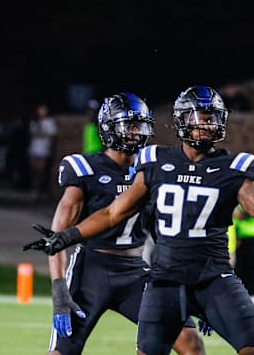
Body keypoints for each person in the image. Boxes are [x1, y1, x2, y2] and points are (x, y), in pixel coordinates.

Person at [26, 85, 254, 355]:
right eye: (200, 118)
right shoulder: (134, 164)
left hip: (172, 272)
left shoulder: (216, 165)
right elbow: (113, 213)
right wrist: (64, 245)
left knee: (216, 347)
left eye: (213, 118)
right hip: (120, 273)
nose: (207, 125)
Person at [38, 93, 204, 355]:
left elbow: (163, 232)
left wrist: (194, 285)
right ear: (109, 126)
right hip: (91, 271)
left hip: (136, 272)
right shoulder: (85, 168)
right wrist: (59, 290)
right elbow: (57, 236)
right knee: (63, 352)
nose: (135, 132)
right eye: (129, 125)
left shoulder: (152, 168)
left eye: (140, 125)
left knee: (189, 341)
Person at [28, 102, 58, 201]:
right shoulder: (34, 122)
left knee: (42, 171)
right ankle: (35, 190)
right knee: (34, 171)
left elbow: (52, 135)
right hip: (34, 149)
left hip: (44, 149)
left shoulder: (49, 122)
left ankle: (43, 191)